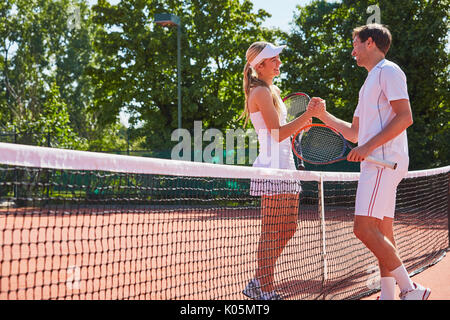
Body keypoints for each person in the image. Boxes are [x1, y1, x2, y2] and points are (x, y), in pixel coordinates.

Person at [308, 24, 431, 300]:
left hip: (382, 162)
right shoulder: (368, 85)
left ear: (371, 42)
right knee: (381, 232)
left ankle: (411, 290)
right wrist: (324, 116)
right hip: (378, 161)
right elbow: (354, 133)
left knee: (363, 229)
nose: (352, 51)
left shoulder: (388, 71)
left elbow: (405, 117)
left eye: (355, 43)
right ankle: (388, 294)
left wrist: (366, 148)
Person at [240, 41, 321, 300]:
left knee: (289, 227)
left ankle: (258, 280)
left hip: (286, 169)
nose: (279, 63)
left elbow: (281, 130)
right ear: (260, 65)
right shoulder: (260, 92)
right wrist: (306, 117)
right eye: (274, 59)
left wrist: (300, 125)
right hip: (271, 170)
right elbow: (276, 135)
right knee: (271, 231)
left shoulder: (270, 90)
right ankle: (265, 289)